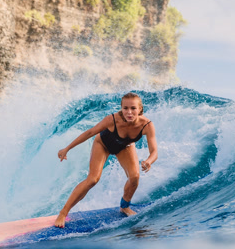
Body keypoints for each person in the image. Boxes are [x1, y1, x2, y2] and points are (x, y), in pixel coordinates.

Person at [54, 92, 158, 228]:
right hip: (103, 144)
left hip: (124, 146)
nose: (129, 112)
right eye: (125, 108)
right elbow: (90, 132)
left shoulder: (147, 125)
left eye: (133, 108)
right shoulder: (112, 119)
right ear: (121, 108)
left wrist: (149, 161)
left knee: (134, 177)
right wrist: (67, 148)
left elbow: (154, 151)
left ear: (140, 109)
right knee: (92, 179)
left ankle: (124, 206)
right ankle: (63, 212)